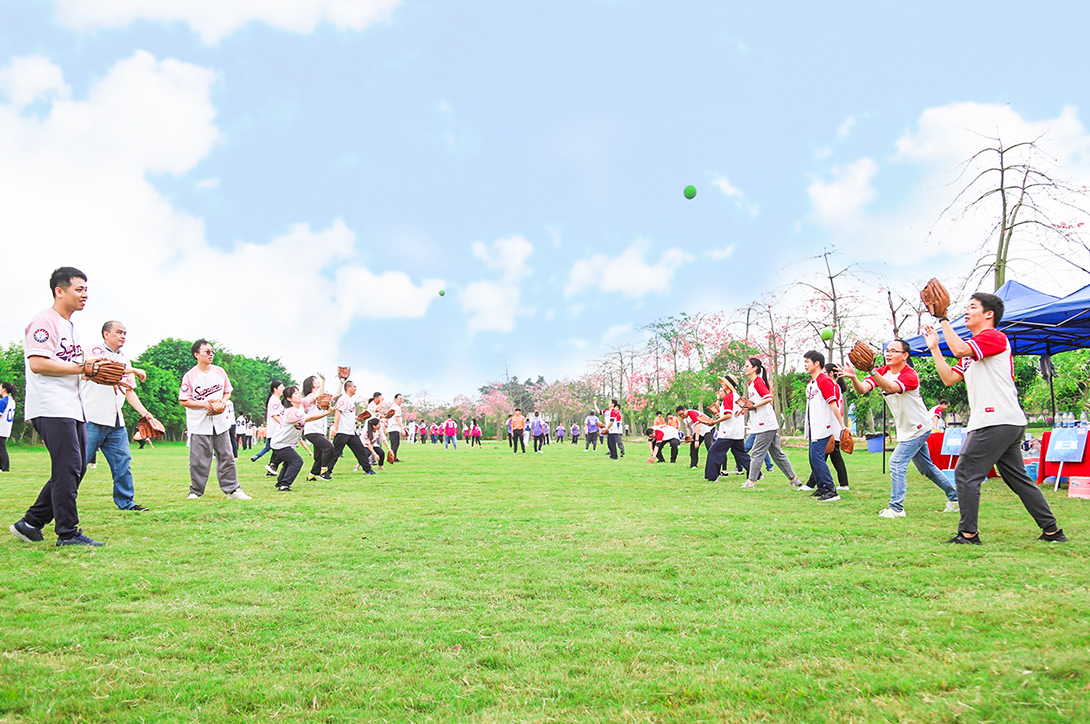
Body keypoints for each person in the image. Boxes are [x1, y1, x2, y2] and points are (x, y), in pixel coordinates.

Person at [924, 292, 1065, 544]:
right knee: (1017, 478)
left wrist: (943, 318)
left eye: (972, 307)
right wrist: (934, 348)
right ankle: (1052, 531)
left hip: (995, 420)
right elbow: (949, 378)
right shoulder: (973, 350)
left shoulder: (993, 336)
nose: (966, 311)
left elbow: (958, 349)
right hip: (1004, 420)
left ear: (989, 314)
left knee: (966, 473)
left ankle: (968, 534)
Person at [9, 267, 106, 546]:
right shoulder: (45, 320)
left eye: (86, 290)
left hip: (72, 406)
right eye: (79, 289)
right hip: (50, 405)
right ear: (59, 291)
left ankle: (31, 523)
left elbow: (72, 367)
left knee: (77, 467)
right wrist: (81, 368)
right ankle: (67, 533)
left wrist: (92, 372)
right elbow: (38, 363)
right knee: (68, 468)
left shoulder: (71, 327)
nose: (84, 295)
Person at [840, 340, 958, 518]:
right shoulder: (883, 371)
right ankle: (955, 499)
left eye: (894, 351)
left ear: (905, 355)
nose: (888, 354)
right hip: (907, 429)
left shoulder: (910, 375)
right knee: (926, 468)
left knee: (896, 463)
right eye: (887, 350)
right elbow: (862, 389)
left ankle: (896, 508)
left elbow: (890, 387)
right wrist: (854, 378)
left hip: (918, 427)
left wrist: (872, 371)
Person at [82, 320, 162, 511]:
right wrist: (133, 370)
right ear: (106, 334)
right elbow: (99, 369)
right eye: (118, 332)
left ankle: (127, 502)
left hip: (115, 420)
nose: (123, 336)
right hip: (91, 417)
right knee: (77, 465)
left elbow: (129, 391)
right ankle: (60, 502)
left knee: (122, 462)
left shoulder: (125, 359)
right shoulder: (95, 350)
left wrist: (146, 414)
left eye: (124, 333)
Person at [180, 340, 251, 500]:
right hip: (199, 423)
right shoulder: (190, 376)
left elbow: (227, 392)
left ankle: (233, 490)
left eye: (212, 351)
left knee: (227, 456)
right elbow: (184, 400)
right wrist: (206, 404)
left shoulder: (219, 371)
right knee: (199, 460)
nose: (211, 354)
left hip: (220, 422)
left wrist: (222, 402)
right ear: (196, 355)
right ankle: (196, 491)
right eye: (207, 352)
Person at [739, 358, 802, 488]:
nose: (745, 368)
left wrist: (753, 406)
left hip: (765, 424)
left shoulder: (758, 381)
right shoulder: (751, 383)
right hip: (765, 423)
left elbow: (768, 397)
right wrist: (745, 408)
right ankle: (794, 479)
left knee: (756, 452)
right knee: (777, 454)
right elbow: (756, 403)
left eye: (747, 366)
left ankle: (751, 481)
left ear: (755, 368)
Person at [801, 350, 845, 503]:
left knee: (818, 458)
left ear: (817, 363)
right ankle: (821, 488)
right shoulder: (812, 383)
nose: (805, 364)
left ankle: (831, 490)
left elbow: (833, 404)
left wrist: (842, 425)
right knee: (813, 458)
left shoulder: (824, 380)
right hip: (814, 426)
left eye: (807, 361)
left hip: (824, 426)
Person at [270, 385, 331, 491]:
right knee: (297, 461)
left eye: (298, 393)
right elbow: (310, 418)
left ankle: (280, 482)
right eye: (295, 394)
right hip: (280, 443)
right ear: (289, 398)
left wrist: (318, 397)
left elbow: (312, 399)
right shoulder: (291, 412)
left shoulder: (301, 404)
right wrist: (328, 413)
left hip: (287, 443)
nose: (298, 395)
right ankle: (285, 485)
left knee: (289, 462)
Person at [703, 375, 750, 482]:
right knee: (741, 454)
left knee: (714, 452)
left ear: (728, 385)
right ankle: (756, 473)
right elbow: (744, 407)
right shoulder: (737, 396)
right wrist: (721, 414)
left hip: (728, 432)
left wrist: (714, 422)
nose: (722, 384)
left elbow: (728, 415)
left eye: (724, 383)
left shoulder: (728, 397)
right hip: (738, 431)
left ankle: (712, 476)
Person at [327, 379, 375, 476]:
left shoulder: (350, 400)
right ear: (348, 388)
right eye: (354, 386)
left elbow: (347, 414)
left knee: (360, 451)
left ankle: (368, 470)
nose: (355, 388)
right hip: (342, 431)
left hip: (351, 432)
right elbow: (338, 412)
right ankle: (326, 471)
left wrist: (357, 418)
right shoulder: (344, 398)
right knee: (335, 453)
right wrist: (335, 428)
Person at [301, 374, 334, 481]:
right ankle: (324, 472)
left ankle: (312, 476)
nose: (317, 381)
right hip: (312, 430)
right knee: (329, 447)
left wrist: (324, 380)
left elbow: (322, 395)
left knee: (319, 456)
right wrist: (324, 381)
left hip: (318, 430)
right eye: (315, 380)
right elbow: (319, 396)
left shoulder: (317, 396)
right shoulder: (310, 397)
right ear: (311, 384)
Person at [251, 380, 285, 476]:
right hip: (275, 429)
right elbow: (274, 415)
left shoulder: (277, 400)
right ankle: (271, 466)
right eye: (281, 387)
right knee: (280, 448)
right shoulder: (274, 400)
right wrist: (283, 425)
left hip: (276, 429)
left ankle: (271, 468)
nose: (283, 389)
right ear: (275, 389)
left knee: (275, 449)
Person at [0, 382, 15, 472]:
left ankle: (5, 467)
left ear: (4, 389)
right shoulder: (12, 401)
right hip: (6, 427)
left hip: (1, 427)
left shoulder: (3, 401)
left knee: (1, 448)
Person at [387, 393, 405, 462]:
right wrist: (402, 428)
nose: (401, 400)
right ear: (395, 399)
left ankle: (394, 457)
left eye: (402, 399)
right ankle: (392, 457)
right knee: (395, 444)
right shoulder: (395, 407)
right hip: (394, 428)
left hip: (395, 428)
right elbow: (397, 418)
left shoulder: (396, 407)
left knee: (396, 443)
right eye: (400, 399)